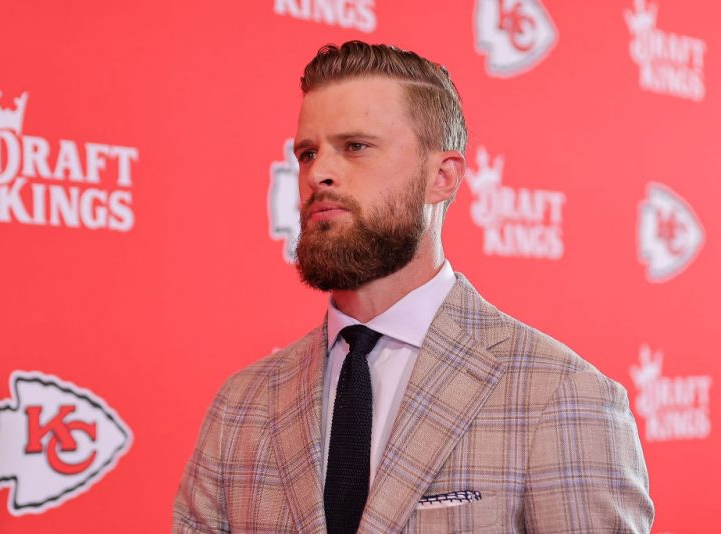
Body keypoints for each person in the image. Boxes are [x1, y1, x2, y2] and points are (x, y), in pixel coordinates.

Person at [172, 41, 654, 533]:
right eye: (307, 153)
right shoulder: (242, 405)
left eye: (355, 146)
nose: (319, 173)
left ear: (441, 177)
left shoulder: (562, 395)